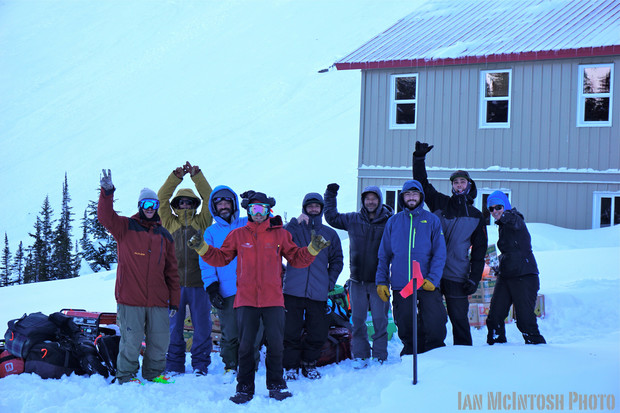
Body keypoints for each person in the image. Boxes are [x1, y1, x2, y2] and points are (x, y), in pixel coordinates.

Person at [187, 191, 331, 404]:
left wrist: (312, 248)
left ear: (267, 211)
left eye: (262, 209)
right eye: (253, 208)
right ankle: (244, 388)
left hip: (273, 300)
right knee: (246, 346)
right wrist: (202, 247)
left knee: (276, 345)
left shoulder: (280, 235)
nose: (257, 213)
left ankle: (277, 385)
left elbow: (296, 259)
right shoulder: (237, 235)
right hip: (246, 300)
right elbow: (221, 258)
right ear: (248, 210)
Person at [97, 169, 180, 384]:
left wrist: (174, 301)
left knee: (160, 340)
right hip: (130, 298)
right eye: (146, 204)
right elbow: (105, 217)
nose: (150, 208)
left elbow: (172, 271)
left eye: (154, 204)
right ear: (140, 206)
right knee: (131, 340)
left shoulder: (165, 236)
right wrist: (107, 193)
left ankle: (154, 373)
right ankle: (126, 375)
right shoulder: (125, 227)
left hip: (158, 300)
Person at [412, 141, 488, 346]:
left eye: (462, 182)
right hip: (433, 274)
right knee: (431, 318)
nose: (459, 185)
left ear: (469, 185)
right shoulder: (441, 203)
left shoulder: (476, 216)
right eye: (455, 182)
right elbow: (422, 184)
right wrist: (419, 159)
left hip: (457, 275)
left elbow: (479, 252)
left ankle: (463, 356)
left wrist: (474, 278)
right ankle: (431, 353)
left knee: (459, 320)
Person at [323, 183, 393, 367]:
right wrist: (330, 195)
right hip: (357, 281)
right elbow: (331, 217)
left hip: (379, 281)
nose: (370, 202)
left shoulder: (389, 222)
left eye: (374, 198)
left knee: (380, 320)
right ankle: (361, 355)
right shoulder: (353, 219)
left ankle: (380, 355)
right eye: (367, 198)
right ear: (363, 201)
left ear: (379, 200)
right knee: (358, 320)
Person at [200, 185, 264, 384]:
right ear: (214, 207)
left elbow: (267, 222)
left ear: (234, 204)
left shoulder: (247, 223)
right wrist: (212, 287)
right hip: (226, 291)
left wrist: (255, 203)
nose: (223, 207)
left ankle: (251, 366)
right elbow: (206, 262)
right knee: (230, 332)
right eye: (219, 204)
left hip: (253, 288)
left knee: (254, 331)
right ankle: (230, 365)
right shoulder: (211, 232)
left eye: (227, 203)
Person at [376, 180, 447, 355]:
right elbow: (384, 255)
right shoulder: (393, 222)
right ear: (402, 197)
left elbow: (440, 253)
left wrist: (432, 279)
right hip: (402, 284)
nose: (411, 197)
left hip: (426, 283)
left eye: (415, 194)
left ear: (421, 196)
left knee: (435, 324)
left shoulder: (432, 220)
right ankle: (410, 355)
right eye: (408, 194)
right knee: (406, 324)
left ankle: (435, 357)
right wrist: (382, 281)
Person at [157, 161, 213, 376]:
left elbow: (210, 198)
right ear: (176, 205)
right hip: (174, 286)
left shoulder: (203, 221)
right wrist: (175, 177)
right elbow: (161, 199)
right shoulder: (169, 223)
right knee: (173, 328)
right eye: (181, 202)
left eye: (189, 202)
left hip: (200, 285)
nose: (185, 205)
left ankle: (200, 365)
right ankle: (174, 365)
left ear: (195, 205)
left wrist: (197, 176)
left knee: (202, 327)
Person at [282, 193, 343, 380]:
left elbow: (337, 260)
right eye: (310, 206)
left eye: (317, 206)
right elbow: (279, 240)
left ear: (322, 209)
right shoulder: (294, 230)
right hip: (292, 290)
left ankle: (310, 363)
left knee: (317, 332)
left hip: (318, 292)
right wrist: (294, 223)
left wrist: (329, 282)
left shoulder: (330, 234)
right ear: (304, 208)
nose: (314, 209)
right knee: (290, 331)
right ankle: (291, 366)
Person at [485, 191, 546, 345]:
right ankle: (495, 347)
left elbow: (515, 221)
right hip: (506, 276)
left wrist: (506, 214)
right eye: (491, 209)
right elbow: (512, 251)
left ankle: (538, 348)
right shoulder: (502, 226)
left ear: (505, 206)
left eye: (498, 207)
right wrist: (498, 263)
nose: (495, 211)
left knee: (525, 320)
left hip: (524, 276)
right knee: (494, 318)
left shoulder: (513, 218)